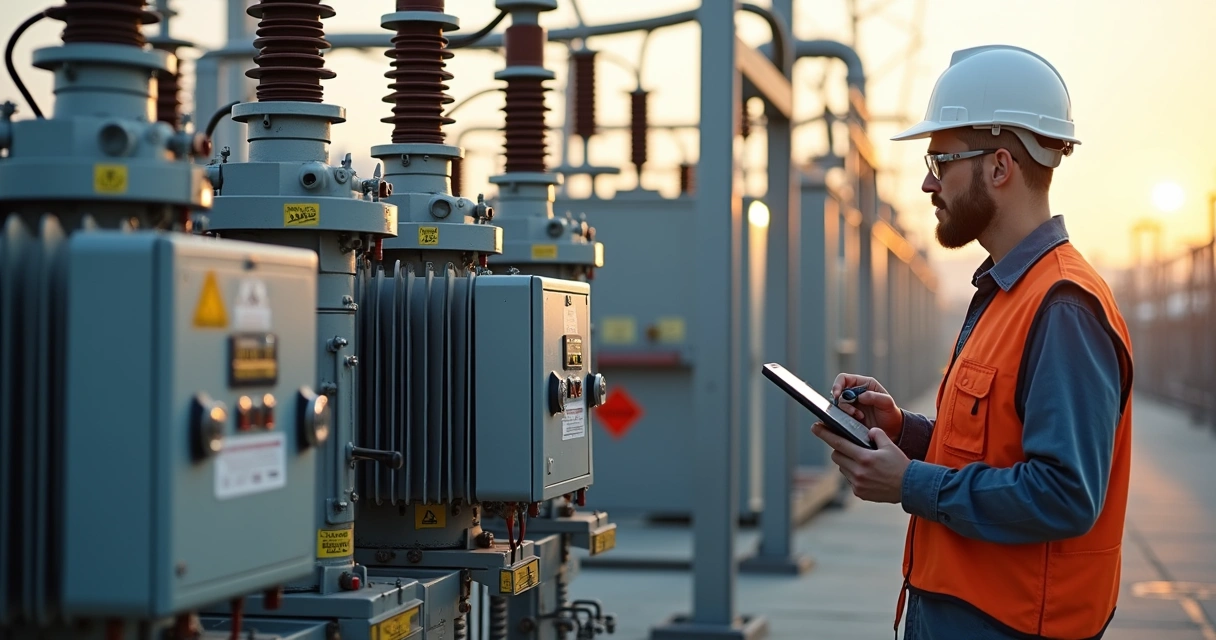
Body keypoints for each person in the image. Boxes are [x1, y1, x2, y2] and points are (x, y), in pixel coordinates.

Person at [810, 45, 1134, 640]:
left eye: (941, 159)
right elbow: (995, 454)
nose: (929, 181)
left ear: (1000, 167)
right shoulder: (1007, 291)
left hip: (1010, 625)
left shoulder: (1062, 306)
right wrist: (904, 431)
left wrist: (909, 483)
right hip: (964, 612)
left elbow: (1064, 495)